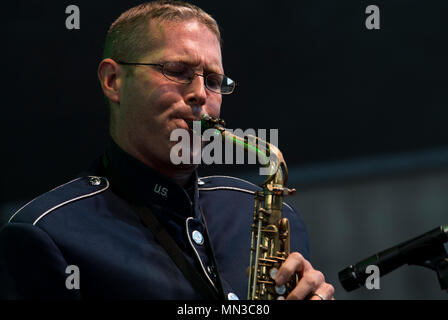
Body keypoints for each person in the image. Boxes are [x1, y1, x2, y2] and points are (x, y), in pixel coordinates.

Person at [0, 0, 334, 300]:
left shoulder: (272, 214)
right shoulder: (46, 233)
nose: (201, 94)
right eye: (177, 71)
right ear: (113, 81)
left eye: (214, 81)